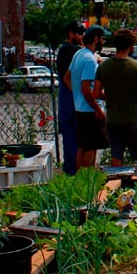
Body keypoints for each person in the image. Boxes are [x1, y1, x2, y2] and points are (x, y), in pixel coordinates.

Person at [93, 29, 137, 176]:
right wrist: (132, 92)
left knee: (117, 156)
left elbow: (96, 93)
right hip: (133, 119)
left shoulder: (104, 67)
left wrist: (111, 94)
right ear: (131, 46)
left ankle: (116, 185)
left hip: (113, 119)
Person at [66, 25, 109, 170]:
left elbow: (67, 77)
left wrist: (76, 93)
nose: (104, 42)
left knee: (82, 145)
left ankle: (80, 178)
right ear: (96, 39)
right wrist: (97, 109)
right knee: (91, 146)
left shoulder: (79, 54)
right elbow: (86, 88)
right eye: (102, 38)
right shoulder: (90, 60)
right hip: (90, 111)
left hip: (80, 108)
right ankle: (89, 178)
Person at [57, 21, 85, 175]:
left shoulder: (66, 50)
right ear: (71, 34)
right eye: (79, 34)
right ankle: (71, 170)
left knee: (74, 138)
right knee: (72, 138)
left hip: (69, 99)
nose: (81, 37)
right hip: (70, 100)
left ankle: (72, 169)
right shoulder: (69, 50)